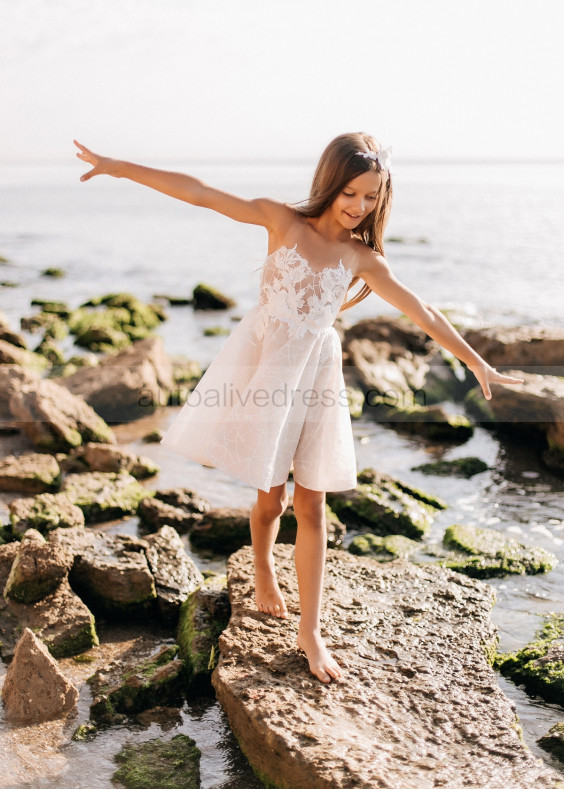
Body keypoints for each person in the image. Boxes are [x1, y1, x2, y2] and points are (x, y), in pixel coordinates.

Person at [74, 133, 523, 683]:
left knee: (312, 504)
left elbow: (421, 309)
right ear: (330, 183)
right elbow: (198, 193)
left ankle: (310, 631)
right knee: (271, 501)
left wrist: (476, 362)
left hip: (316, 376)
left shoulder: (360, 257)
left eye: (370, 198)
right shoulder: (281, 221)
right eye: (351, 193)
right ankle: (262, 559)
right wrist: (117, 166)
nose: (359, 206)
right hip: (269, 369)